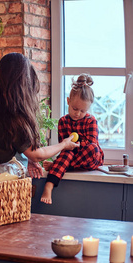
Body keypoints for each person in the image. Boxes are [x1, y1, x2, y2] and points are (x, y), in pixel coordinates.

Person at [0, 52, 79, 178]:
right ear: (24, 83)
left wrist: (28, 161)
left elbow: (2, 147)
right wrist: (64, 145)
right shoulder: (14, 115)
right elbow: (38, 154)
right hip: (0, 181)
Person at [40, 74, 104, 204]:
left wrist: (77, 145)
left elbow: (92, 143)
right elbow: (63, 145)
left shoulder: (91, 121)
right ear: (68, 101)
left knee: (93, 149)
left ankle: (57, 167)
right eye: (75, 109)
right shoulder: (63, 121)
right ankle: (49, 185)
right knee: (67, 152)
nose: (78, 113)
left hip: (88, 157)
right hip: (69, 156)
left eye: (82, 111)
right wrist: (68, 145)